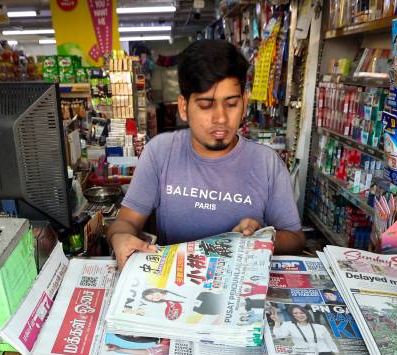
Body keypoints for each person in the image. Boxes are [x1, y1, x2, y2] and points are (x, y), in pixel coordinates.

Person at [104, 39, 305, 269]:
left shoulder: (266, 163)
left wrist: (261, 238)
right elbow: (125, 222)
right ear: (183, 107)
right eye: (206, 105)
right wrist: (119, 238)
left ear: (244, 103)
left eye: (231, 104)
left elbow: (296, 239)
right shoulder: (160, 152)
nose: (220, 117)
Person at [270, 305, 340, 355]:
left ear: (306, 313)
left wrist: (336, 353)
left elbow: (329, 341)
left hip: (324, 353)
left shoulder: (320, 327)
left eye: (302, 312)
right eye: (295, 313)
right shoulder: (289, 325)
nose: (299, 315)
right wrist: (277, 321)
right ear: (292, 315)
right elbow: (279, 335)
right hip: (304, 354)